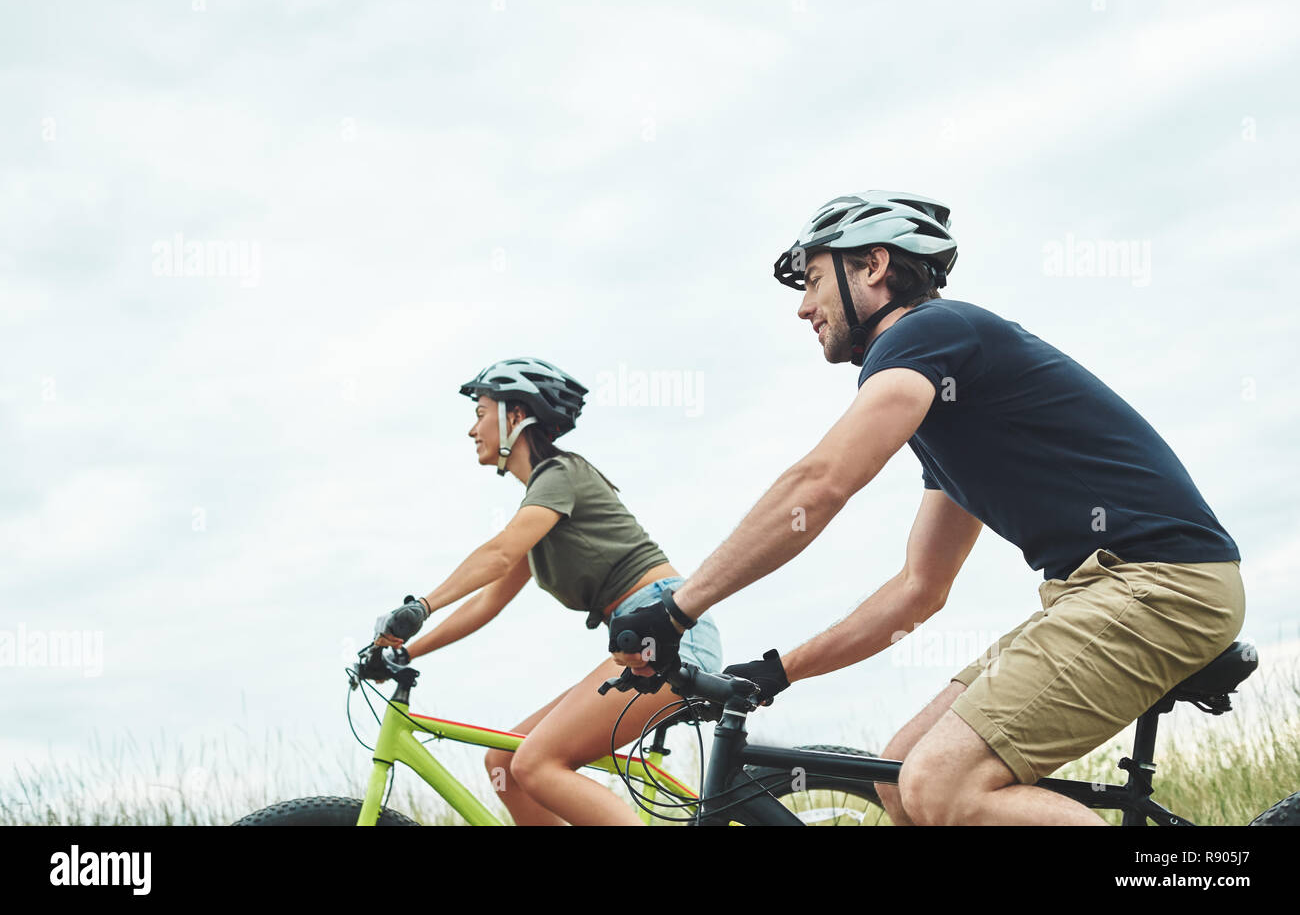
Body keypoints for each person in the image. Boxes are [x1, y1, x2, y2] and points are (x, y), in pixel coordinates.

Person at [608, 191, 1243, 825]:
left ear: (874, 266)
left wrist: (677, 608)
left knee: (944, 784)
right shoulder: (952, 412)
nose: (804, 308)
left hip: (1160, 583)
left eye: (812, 281)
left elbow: (820, 483)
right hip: (1096, 592)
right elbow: (919, 589)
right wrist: (778, 671)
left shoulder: (928, 332)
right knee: (899, 775)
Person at [372, 357, 722, 825]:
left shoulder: (560, 473)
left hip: (667, 629)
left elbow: (497, 554)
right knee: (504, 764)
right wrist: (407, 652)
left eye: (480, 413)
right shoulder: (540, 509)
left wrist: (421, 605)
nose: (471, 430)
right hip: (639, 638)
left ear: (515, 416)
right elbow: (488, 601)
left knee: (534, 763)